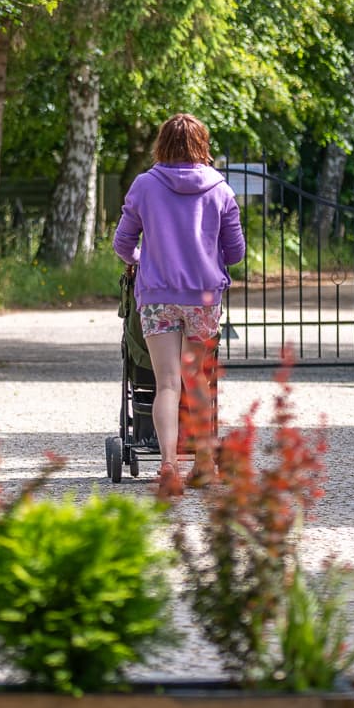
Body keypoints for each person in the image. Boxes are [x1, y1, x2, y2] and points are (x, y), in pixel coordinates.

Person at [111, 112, 245, 495]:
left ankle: (169, 464)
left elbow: (123, 242)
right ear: (202, 145)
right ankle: (203, 462)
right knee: (196, 380)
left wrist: (140, 260)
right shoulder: (220, 190)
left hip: (157, 297)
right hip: (202, 297)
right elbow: (235, 252)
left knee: (166, 383)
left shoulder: (144, 186)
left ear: (162, 144)